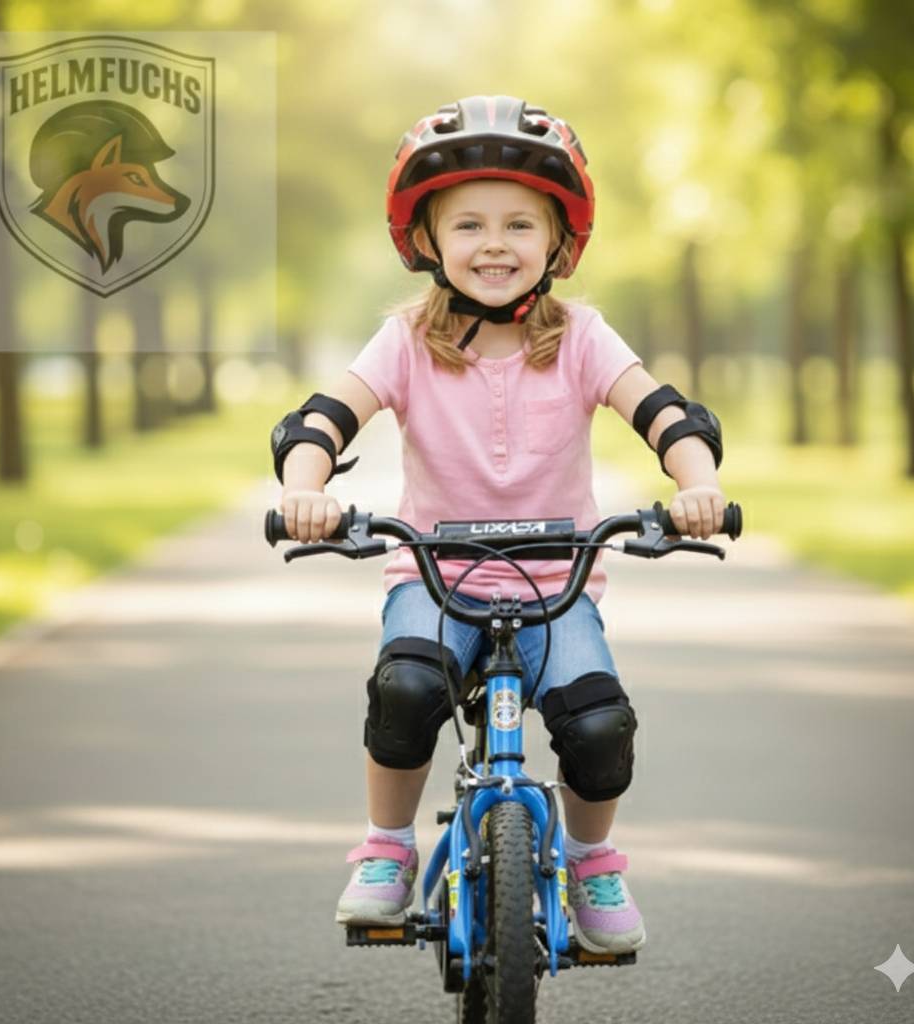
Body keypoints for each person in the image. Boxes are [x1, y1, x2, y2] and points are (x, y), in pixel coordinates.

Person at [272, 96, 725, 955]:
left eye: (520, 224)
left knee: (599, 727)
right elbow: (322, 420)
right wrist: (307, 487)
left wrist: (697, 481)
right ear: (427, 243)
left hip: (559, 586)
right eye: (469, 224)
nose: (493, 244)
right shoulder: (405, 341)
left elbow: (668, 415)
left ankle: (593, 861)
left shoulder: (583, 337)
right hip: (436, 579)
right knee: (404, 690)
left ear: (558, 243)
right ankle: (386, 850)